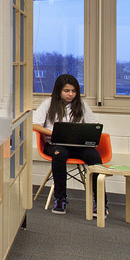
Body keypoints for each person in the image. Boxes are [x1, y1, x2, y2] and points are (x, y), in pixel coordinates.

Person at [32, 73, 103, 215]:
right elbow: (34, 124)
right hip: (54, 144)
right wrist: (54, 133)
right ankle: (60, 198)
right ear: (59, 90)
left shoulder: (81, 105)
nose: (71, 94)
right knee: (60, 154)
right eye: (66, 91)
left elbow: (93, 125)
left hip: (77, 146)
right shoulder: (48, 103)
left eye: (74, 91)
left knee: (94, 157)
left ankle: (100, 201)